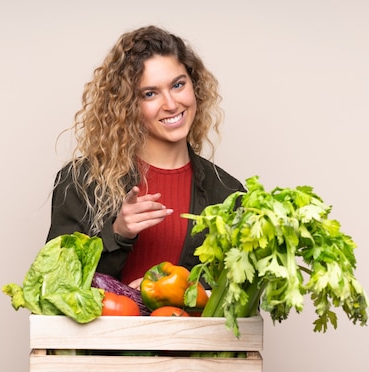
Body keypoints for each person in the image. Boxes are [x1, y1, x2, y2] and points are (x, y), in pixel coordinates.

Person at [46, 25, 245, 286]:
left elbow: (240, 303)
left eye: (178, 85)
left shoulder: (227, 194)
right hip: (109, 329)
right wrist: (117, 233)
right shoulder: (81, 181)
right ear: (128, 105)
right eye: (150, 93)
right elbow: (54, 287)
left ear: (194, 86)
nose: (171, 104)